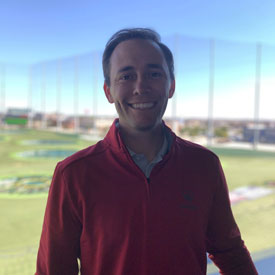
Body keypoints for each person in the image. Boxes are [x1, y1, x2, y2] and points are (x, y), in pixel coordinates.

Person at [36, 28, 258, 275]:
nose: (140, 87)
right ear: (108, 91)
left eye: (154, 74)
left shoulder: (205, 165)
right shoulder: (73, 174)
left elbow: (231, 253)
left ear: (171, 86)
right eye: (126, 76)